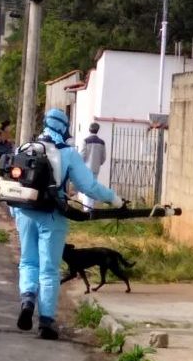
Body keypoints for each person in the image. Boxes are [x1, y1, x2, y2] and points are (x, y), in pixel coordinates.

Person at [13, 109, 123, 339]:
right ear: (64, 128)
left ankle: (27, 300)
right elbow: (89, 186)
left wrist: (16, 213)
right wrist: (114, 199)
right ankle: (46, 321)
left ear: (44, 124)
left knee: (28, 262)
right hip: (53, 216)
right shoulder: (68, 154)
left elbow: (11, 183)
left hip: (25, 213)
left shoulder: (25, 147)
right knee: (49, 268)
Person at [79, 122, 107, 211]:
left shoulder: (85, 141)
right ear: (97, 130)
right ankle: (91, 206)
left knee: (86, 186)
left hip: (86, 168)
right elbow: (103, 157)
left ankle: (87, 208)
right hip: (95, 168)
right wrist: (99, 163)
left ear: (89, 129)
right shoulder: (102, 142)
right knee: (93, 186)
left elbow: (82, 155)